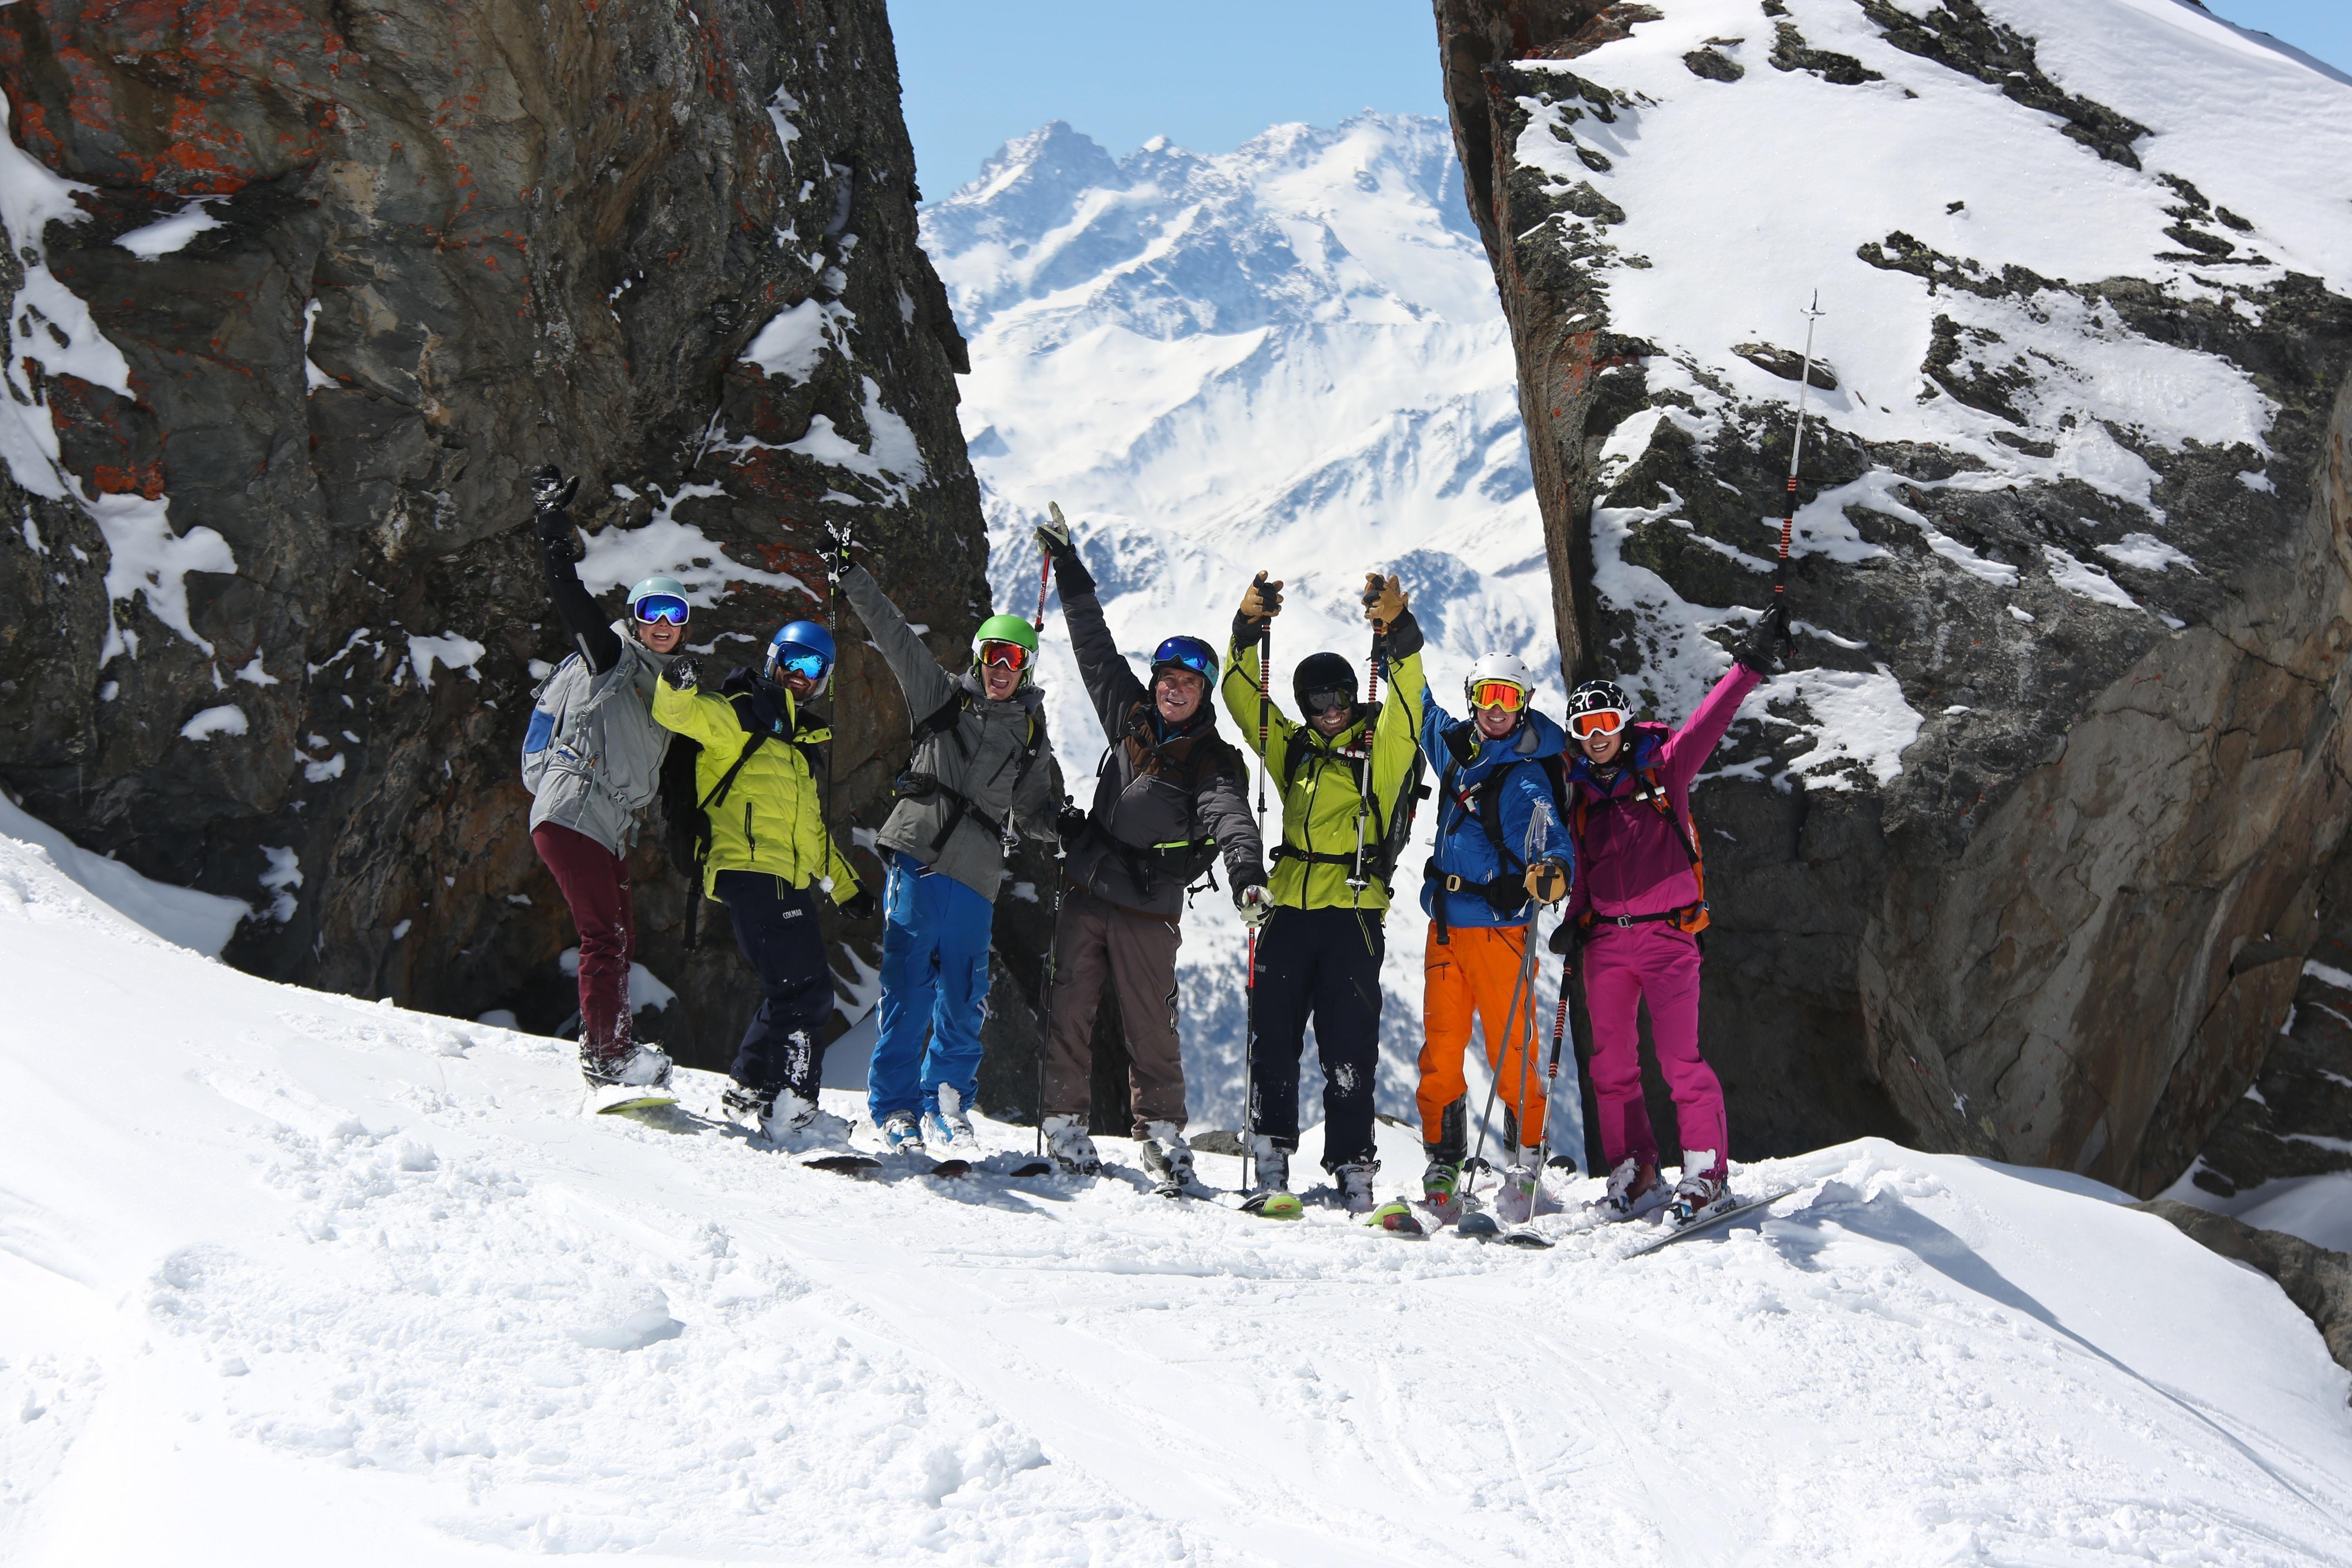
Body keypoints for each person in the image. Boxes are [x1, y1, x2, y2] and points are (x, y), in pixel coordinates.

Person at [1029, 513, 1271, 1186]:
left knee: (1151, 1029)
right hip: (1087, 887)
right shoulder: (1129, 714)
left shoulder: (1213, 761)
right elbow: (1093, 645)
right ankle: (1064, 1127)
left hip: (1147, 905)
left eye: (1187, 683)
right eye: (1167, 677)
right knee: (1068, 1011)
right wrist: (1068, 565)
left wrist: (1248, 876)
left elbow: (1231, 819)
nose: (1173, 689)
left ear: (1204, 694)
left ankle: (1162, 1137)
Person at [1557, 601, 1789, 1226]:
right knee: (1610, 1066)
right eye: (1585, 727)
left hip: (1668, 938)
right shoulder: (1581, 797)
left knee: (1680, 1061)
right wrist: (1574, 920)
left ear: (1624, 724)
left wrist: (1750, 664)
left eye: (1606, 722)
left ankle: (1706, 1173)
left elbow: (1712, 718)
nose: (1597, 735)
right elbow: (1581, 867)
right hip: (1604, 944)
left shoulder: (1665, 770)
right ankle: (1634, 1171)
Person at [835, 547, 1058, 1160]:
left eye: (1014, 659)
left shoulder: (1031, 734)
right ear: (979, 658)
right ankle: (896, 1107)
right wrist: (852, 573)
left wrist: (1067, 826)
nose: (1001, 668)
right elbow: (894, 635)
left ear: (1028, 667)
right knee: (907, 986)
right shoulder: (941, 697)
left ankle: (948, 1102)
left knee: (964, 993)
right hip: (919, 857)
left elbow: (1034, 813)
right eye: (993, 655)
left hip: (977, 875)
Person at [1218, 570, 1426, 1215]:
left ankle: (1354, 1167)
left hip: (1353, 916)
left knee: (1349, 1046)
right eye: (1316, 701)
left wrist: (1399, 639)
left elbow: (1409, 709)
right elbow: (1241, 699)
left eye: (1339, 696)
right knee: (1272, 1040)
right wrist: (1245, 634)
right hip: (1287, 910)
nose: (1330, 709)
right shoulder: (1296, 750)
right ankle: (1272, 1157)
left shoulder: (1380, 752)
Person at [651, 619, 875, 1149]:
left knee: (789, 989)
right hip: (749, 870)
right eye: (793, 660)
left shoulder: (798, 749)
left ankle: (749, 1089)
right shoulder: (737, 714)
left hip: (786, 879)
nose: (801, 674)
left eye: (814, 667)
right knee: (807, 992)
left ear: (823, 680)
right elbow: (678, 714)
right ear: (774, 661)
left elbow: (812, 833)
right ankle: (791, 1110)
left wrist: (846, 886)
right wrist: (676, 683)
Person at [518, 465, 680, 1091]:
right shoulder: (612, 658)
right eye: (651, 611)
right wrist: (552, 532)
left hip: (604, 824)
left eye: (674, 614)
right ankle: (609, 1058)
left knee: (621, 936)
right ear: (634, 620)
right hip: (573, 809)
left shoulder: (667, 692)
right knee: (604, 937)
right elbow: (571, 599)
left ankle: (608, 1044)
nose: (662, 622)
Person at [1402, 649, 1573, 1222]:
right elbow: (1420, 707)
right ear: (1472, 699)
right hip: (1447, 929)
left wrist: (1554, 869)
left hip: (1502, 934)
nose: (1496, 709)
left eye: (1508, 697)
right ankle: (1444, 1160)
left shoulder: (1524, 774)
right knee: (1441, 1049)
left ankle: (1525, 1161)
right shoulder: (1456, 749)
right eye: (1486, 696)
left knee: (1513, 1052)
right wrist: (1398, 640)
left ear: (1525, 703)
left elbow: (1550, 834)